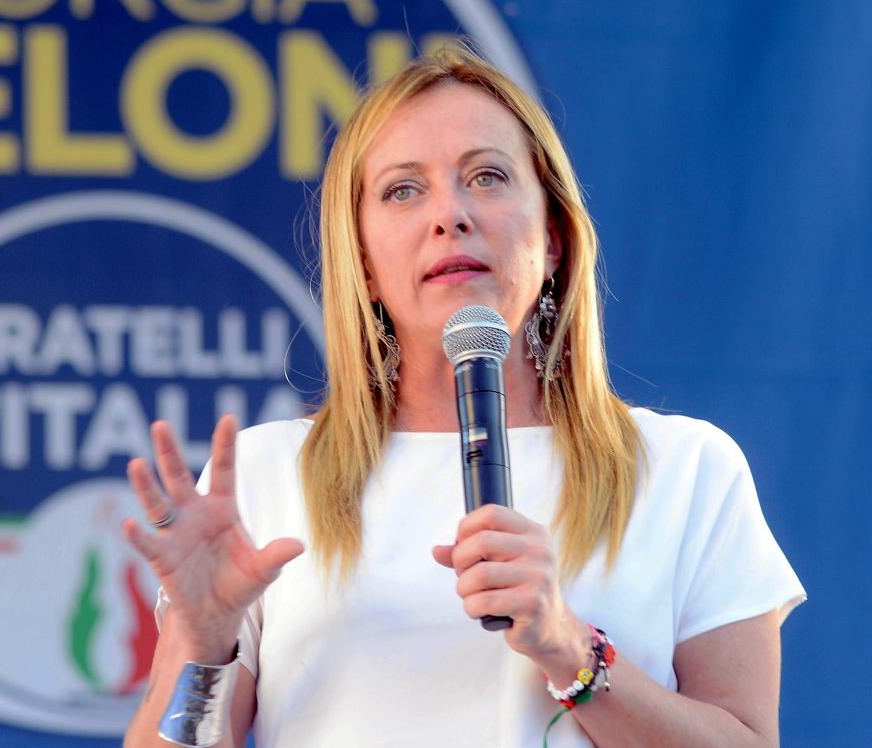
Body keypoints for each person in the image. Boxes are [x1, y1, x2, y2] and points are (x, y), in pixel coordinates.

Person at [120, 48, 805, 747]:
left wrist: (569, 646)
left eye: (487, 177)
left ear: (554, 238)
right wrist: (203, 645)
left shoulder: (686, 469)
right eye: (403, 190)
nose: (450, 214)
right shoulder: (267, 474)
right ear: (363, 261)